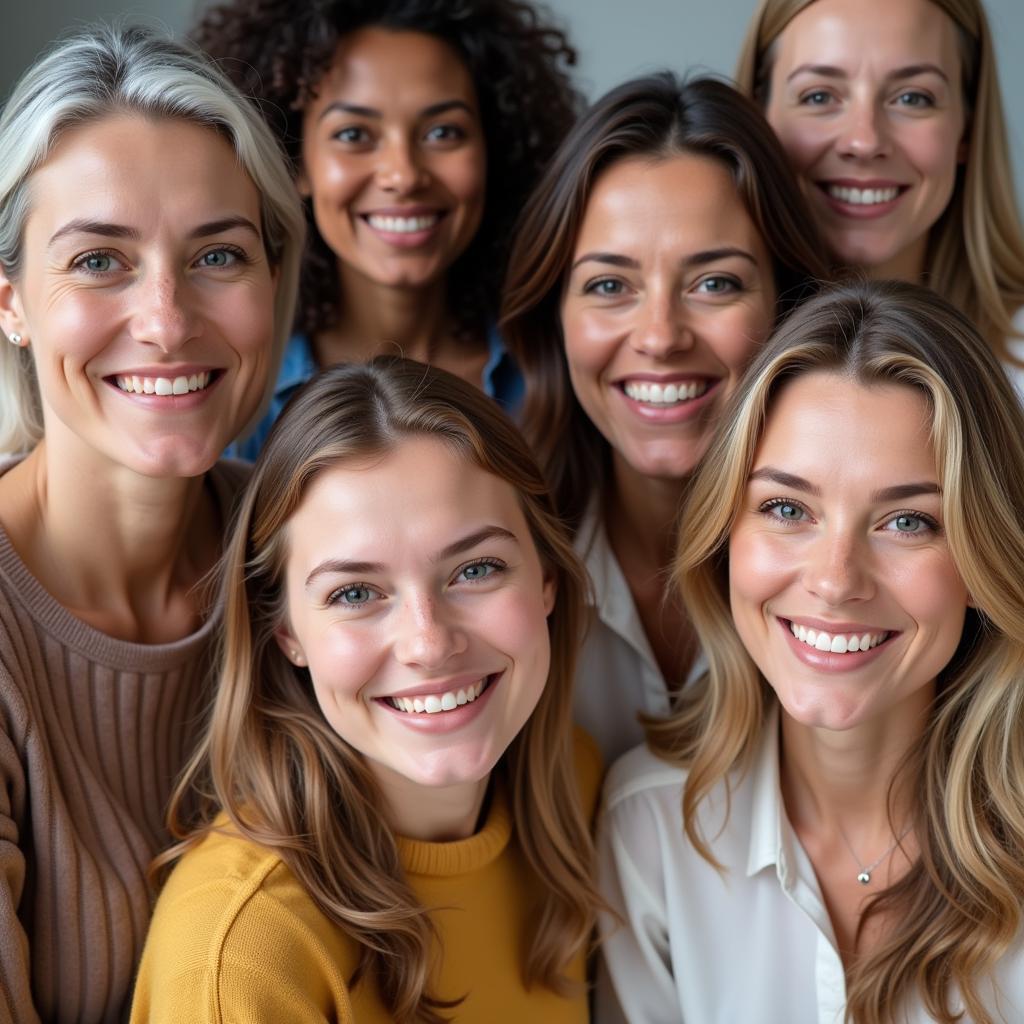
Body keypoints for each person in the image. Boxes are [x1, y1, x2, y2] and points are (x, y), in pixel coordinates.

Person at [598, 280, 1024, 1023]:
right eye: (787, 509)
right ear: (726, 537)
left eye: (907, 522)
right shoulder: (651, 830)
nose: (834, 581)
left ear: (984, 561)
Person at [130, 359, 604, 1023]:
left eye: (476, 569)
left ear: (547, 581)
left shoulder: (577, 794)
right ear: (286, 630)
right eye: (355, 593)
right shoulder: (243, 950)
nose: (428, 643)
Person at [0, 24, 304, 1022]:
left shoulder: (315, 552)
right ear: (10, 302)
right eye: (99, 261)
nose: (167, 320)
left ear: (274, 281)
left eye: (218, 252)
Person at [501, 74, 830, 759]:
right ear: (553, 315)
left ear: (788, 304)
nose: (659, 336)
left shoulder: (853, 582)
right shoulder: (493, 564)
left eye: (714, 283)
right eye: (610, 286)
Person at [192, 0, 581, 459]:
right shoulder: (234, 396)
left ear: (493, 151)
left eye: (442, 133)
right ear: (293, 160)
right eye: (354, 135)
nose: (404, 174)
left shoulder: (560, 370)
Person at [736, 0, 1024, 378]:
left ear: (967, 127)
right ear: (759, 116)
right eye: (819, 96)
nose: (865, 141)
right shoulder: (703, 363)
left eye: (912, 98)